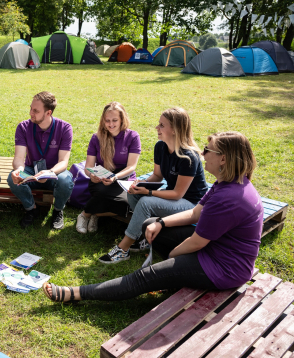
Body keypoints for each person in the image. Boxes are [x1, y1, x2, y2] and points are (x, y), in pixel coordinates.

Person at [43, 131, 263, 303]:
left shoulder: (229, 197)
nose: (203, 154)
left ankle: (75, 293)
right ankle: (174, 276)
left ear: (223, 158)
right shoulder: (228, 182)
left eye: (208, 150)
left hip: (224, 267)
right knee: (150, 225)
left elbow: (197, 242)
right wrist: (161, 222)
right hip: (217, 248)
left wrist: (173, 258)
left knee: (144, 277)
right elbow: (196, 213)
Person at [97, 107, 208, 264]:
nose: (157, 128)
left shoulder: (188, 157)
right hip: (173, 195)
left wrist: (149, 193)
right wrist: (140, 184)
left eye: (162, 125)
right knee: (133, 193)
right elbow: (157, 175)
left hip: (191, 204)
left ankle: (123, 249)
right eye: (159, 124)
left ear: (175, 130)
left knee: (145, 202)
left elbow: (178, 194)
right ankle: (141, 237)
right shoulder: (160, 147)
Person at [7, 91, 74, 229]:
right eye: (31, 108)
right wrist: (19, 170)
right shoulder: (23, 127)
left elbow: (63, 162)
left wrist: (48, 172)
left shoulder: (65, 128)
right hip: (31, 171)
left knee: (66, 180)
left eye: (36, 110)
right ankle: (31, 209)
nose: (31, 113)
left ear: (48, 113)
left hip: (54, 172)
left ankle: (57, 211)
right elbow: (19, 157)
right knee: (11, 178)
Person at [76, 102, 141, 234]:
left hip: (123, 177)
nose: (111, 124)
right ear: (103, 121)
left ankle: (90, 214)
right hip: (101, 176)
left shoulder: (133, 137)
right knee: (102, 193)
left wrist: (115, 177)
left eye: (115, 120)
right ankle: (85, 215)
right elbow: (88, 166)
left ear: (122, 119)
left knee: (126, 202)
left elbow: (131, 166)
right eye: (107, 120)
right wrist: (91, 176)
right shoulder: (96, 137)